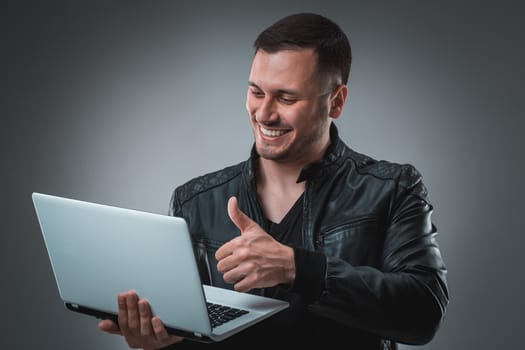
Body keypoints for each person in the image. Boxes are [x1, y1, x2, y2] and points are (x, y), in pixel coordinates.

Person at [99, 12, 449, 350]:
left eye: (286, 97)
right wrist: (159, 342)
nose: (264, 113)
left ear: (336, 102)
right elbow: (193, 331)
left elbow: (423, 313)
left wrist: (296, 268)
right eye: (256, 92)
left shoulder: (392, 189)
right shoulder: (195, 201)